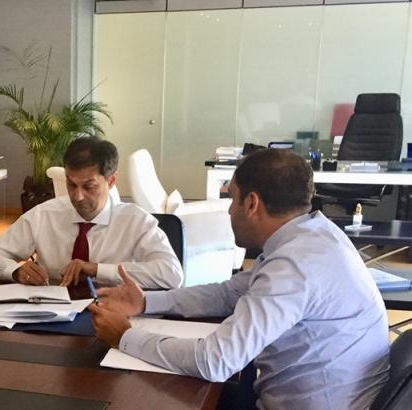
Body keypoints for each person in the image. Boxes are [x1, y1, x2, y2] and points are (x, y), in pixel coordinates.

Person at [88, 148, 389, 409]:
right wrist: (146, 302)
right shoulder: (314, 235)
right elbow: (229, 294)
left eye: (232, 198)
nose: (230, 210)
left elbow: (215, 361)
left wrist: (125, 337)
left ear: (252, 203)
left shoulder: (295, 265)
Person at [0, 136, 182, 289]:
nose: (78, 196)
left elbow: (172, 273)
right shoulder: (44, 215)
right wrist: (15, 271)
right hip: (51, 313)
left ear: (111, 181)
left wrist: (97, 269)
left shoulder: (136, 221)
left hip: (114, 312)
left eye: (89, 186)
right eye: (71, 185)